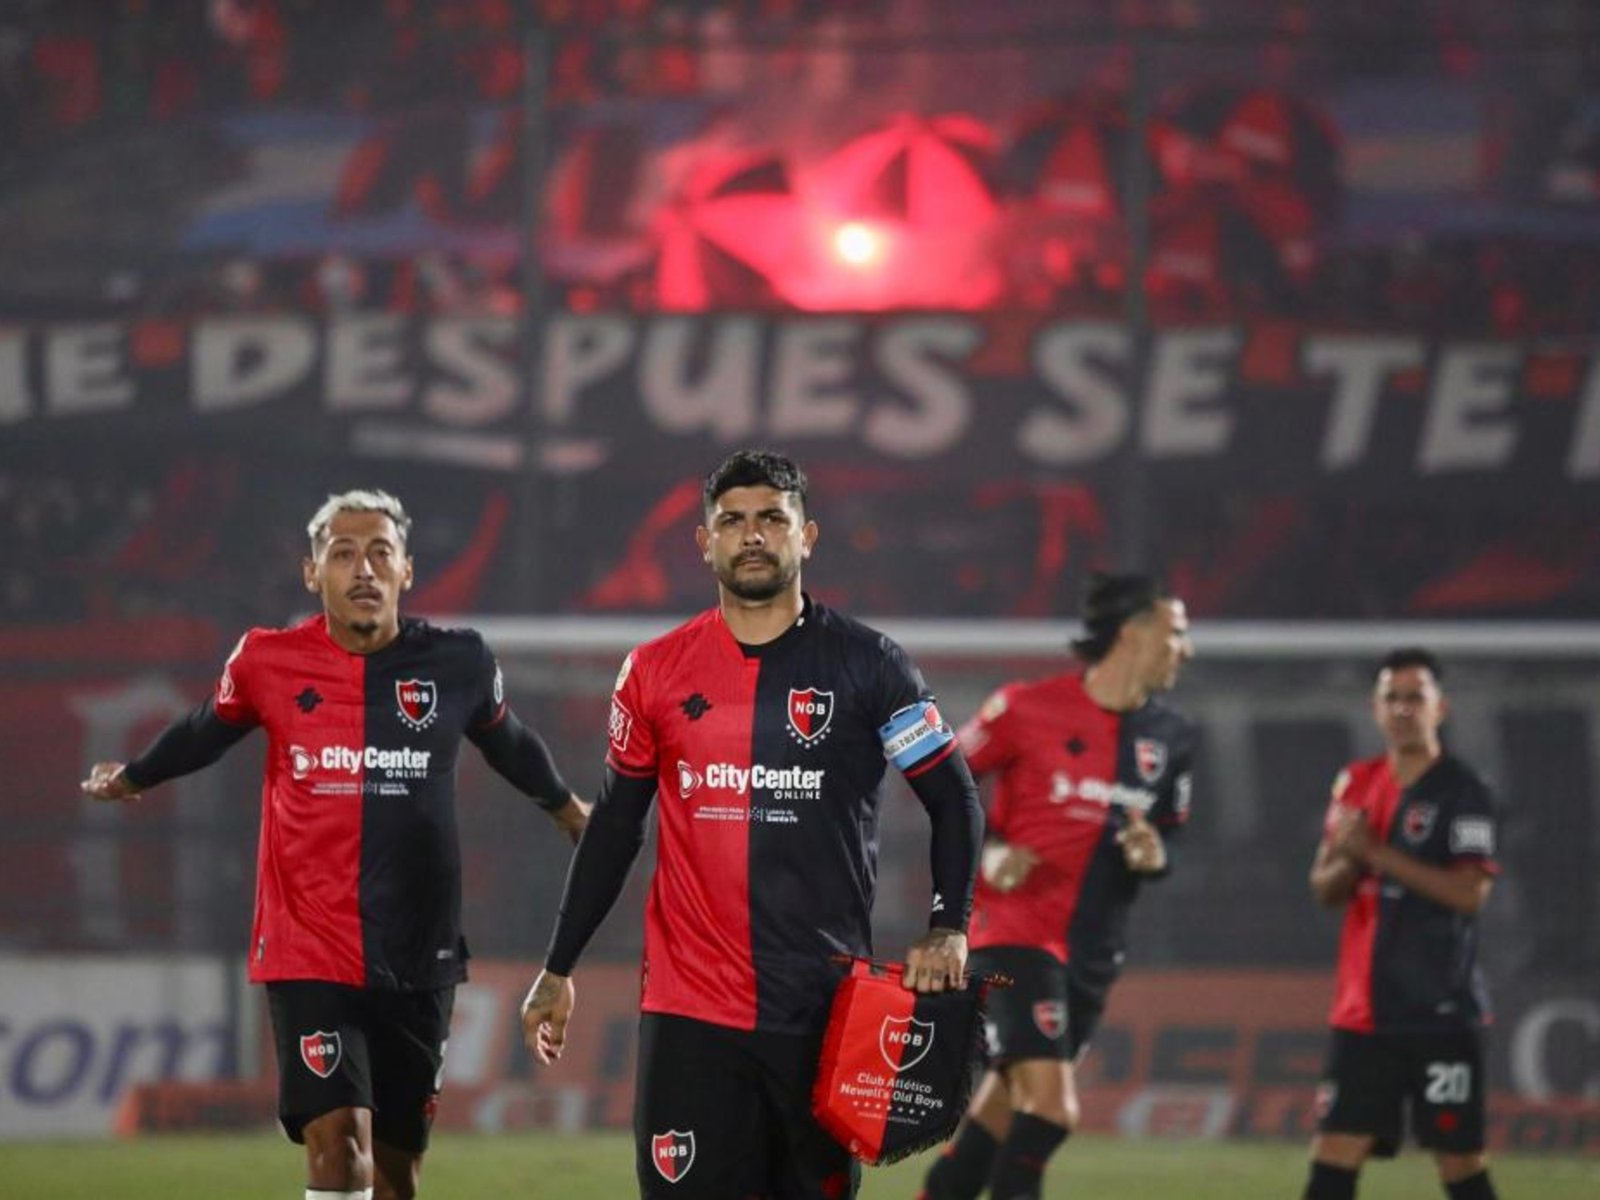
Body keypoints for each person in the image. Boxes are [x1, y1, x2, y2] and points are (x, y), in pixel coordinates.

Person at [81, 489, 589, 1200]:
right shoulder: (267, 660)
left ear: (408, 571)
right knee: (337, 1140)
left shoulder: (459, 662)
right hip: (308, 945)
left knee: (395, 1172)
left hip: (420, 951)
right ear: (311, 572)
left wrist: (565, 808)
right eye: (343, 553)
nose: (363, 569)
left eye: (381, 553)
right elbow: (205, 727)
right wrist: (134, 776)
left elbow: (509, 742)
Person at [519, 449, 984, 1199]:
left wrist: (948, 924)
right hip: (689, 1011)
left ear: (808, 536)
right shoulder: (654, 672)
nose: (753, 535)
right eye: (732, 522)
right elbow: (613, 828)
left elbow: (953, 799)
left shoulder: (871, 666)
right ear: (705, 544)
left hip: (822, 1012)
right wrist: (559, 966)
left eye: (773, 518)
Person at [919, 572, 1197, 1200]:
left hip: (1093, 953)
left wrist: (1156, 852)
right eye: (1176, 633)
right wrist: (989, 854)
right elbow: (941, 784)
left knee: (996, 1127)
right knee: (1050, 1111)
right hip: (1012, 935)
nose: (1187, 648)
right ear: (1133, 634)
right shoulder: (1026, 706)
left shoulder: (1173, 740)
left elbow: (1171, 834)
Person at [1301, 648, 1501, 1200]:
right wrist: (1348, 856)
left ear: (1442, 707)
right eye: (1392, 697)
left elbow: (1470, 893)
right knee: (1333, 1157)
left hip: (1438, 1010)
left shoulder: (1464, 791)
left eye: (1416, 697)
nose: (1403, 709)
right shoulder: (1355, 782)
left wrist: (1377, 853)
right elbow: (1323, 889)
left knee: (1460, 1164)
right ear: (1375, 708)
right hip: (1362, 1014)